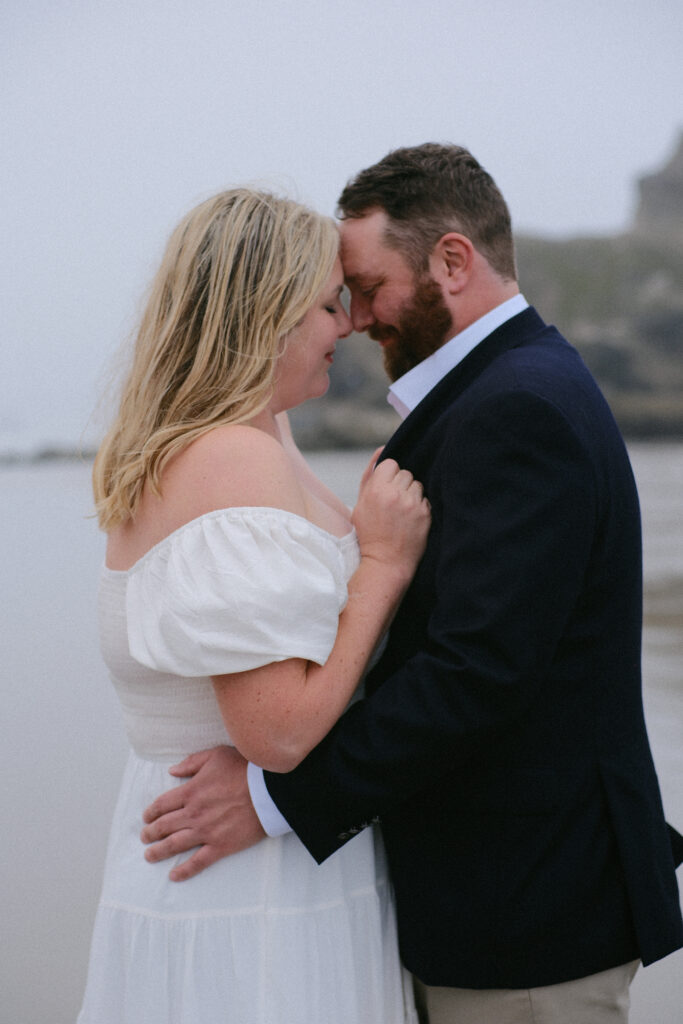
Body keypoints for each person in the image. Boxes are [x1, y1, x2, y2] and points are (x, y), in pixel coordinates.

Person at [140, 147, 683, 1024]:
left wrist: (274, 801)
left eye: (366, 287)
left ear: (452, 262)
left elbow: (476, 671)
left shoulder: (515, 408)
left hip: (524, 918)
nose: (354, 319)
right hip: (494, 903)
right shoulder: (504, 389)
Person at [77, 187, 431, 1024]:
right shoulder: (234, 458)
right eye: (327, 304)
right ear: (266, 315)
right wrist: (382, 565)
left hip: (222, 854)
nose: (346, 324)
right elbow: (277, 732)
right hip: (248, 878)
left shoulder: (244, 437)